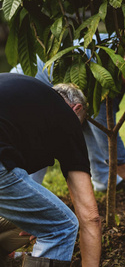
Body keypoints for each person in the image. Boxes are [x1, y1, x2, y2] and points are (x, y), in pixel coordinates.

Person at [10, 36, 125, 196]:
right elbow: (104, 126)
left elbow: (95, 122)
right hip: (31, 85)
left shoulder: (117, 45)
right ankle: (26, 192)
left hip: (30, 84)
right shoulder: (107, 64)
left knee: (83, 121)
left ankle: (103, 179)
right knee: (44, 139)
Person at [0, 74, 101, 266]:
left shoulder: (25, 97)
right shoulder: (66, 117)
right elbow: (91, 217)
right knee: (61, 226)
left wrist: (38, 218)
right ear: (77, 109)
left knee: (42, 215)